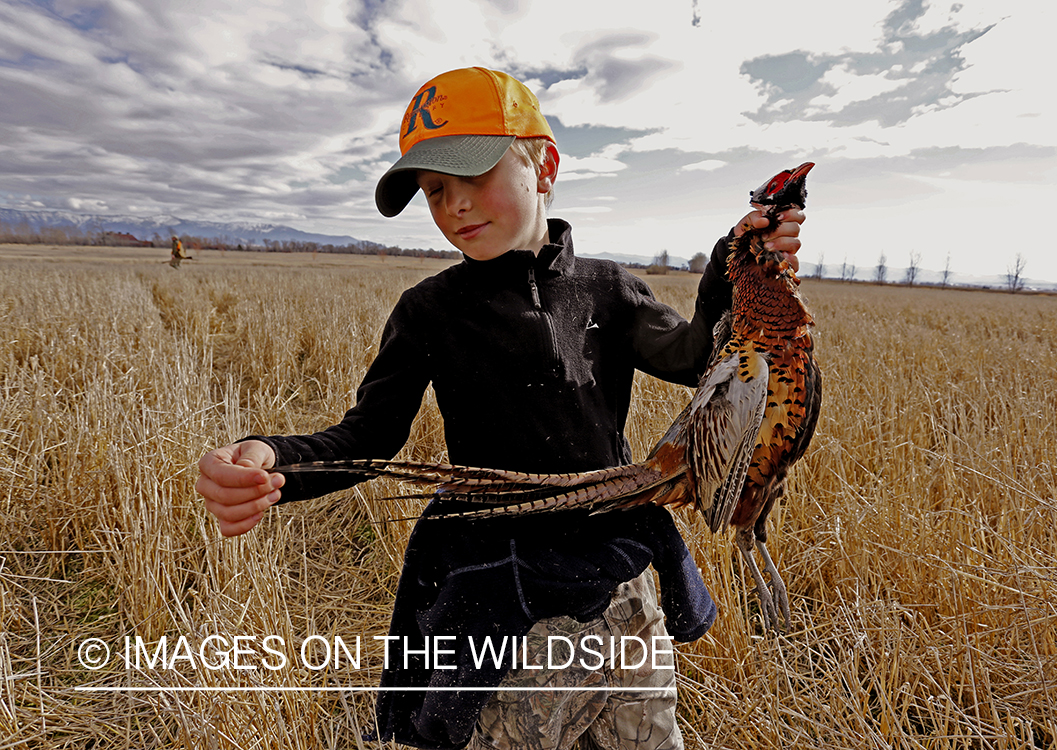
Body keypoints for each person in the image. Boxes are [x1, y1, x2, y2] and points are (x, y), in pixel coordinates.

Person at [196, 67, 804, 750]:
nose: (454, 205)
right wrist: (272, 461)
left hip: (621, 582)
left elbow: (696, 356)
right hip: (503, 603)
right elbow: (368, 434)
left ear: (542, 165)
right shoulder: (429, 310)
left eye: (473, 175)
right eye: (434, 191)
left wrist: (737, 265)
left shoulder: (611, 290)